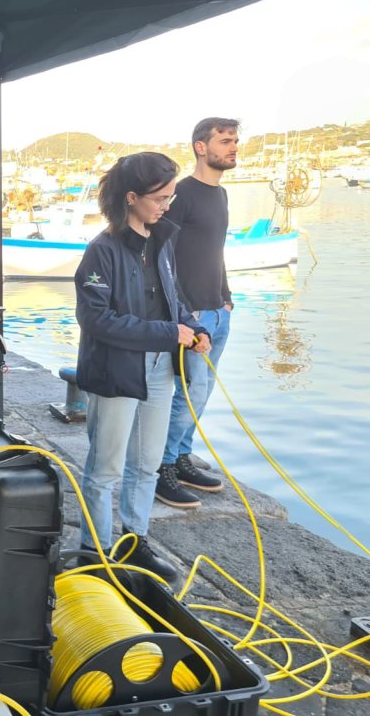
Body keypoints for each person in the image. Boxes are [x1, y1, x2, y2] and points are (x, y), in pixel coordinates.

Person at [74, 152, 211, 582]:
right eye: (160, 198)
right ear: (131, 197)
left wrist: (190, 326)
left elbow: (172, 300)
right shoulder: (101, 251)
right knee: (105, 470)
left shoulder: (161, 241)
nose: (167, 205)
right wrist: (167, 334)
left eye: (170, 196)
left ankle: (135, 542)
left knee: (147, 464)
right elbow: (96, 319)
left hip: (158, 370)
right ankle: (93, 551)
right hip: (116, 372)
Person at [155, 118, 239, 509]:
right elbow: (163, 254)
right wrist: (183, 313)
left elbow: (215, 250)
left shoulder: (220, 196)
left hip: (218, 312)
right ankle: (163, 468)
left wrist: (225, 295)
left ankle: (182, 456)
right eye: (225, 141)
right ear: (201, 147)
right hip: (192, 318)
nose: (234, 147)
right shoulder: (183, 194)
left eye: (235, 140)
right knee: (192, 392)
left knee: (200, 396)